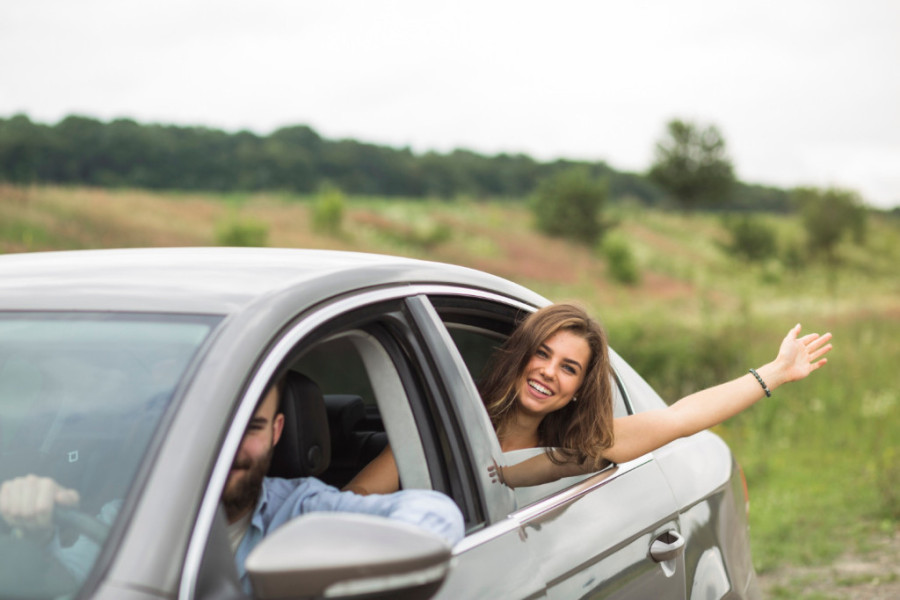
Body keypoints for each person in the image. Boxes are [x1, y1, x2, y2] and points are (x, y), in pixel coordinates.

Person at [0, 378, 465, 593]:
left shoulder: (304, 509)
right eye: (214, 427)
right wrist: (35, 533)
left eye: (251, 428)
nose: (227, 448)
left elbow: (436, 515)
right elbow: (70, 582)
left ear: (277, 432)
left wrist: (355, 558)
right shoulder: (129, 515)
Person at [344, 303, 833, 493]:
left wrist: (775, 372)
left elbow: (681, 418)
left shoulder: (579, 451)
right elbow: (358, 501)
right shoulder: (442, 429)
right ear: (520, 357)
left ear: (578, 390)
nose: (548, 372)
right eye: (542, 354)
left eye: (569, 368)